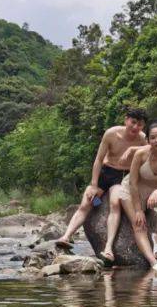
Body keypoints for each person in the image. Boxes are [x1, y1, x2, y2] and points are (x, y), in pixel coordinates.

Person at [53, 107, 148, 249]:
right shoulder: (111, 134)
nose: (135, 127)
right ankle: (66, 236)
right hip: (106, 172)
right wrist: (93, 184)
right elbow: (98, 160)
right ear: (126, 120)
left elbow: (150, 153)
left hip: (122, 176)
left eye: (139, 124)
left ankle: (108, 247)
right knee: (89, 201)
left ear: (143, 126)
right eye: (133, 122)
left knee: (115, 204)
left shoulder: (142, 138)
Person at [102, 122, 157, 271]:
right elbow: (132, 183)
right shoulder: (141, 154)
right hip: (131, 192)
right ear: (148, 140)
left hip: (153, 193)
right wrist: (138, 210)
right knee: (139, 225)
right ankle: (153, 263)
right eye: (153, 138)